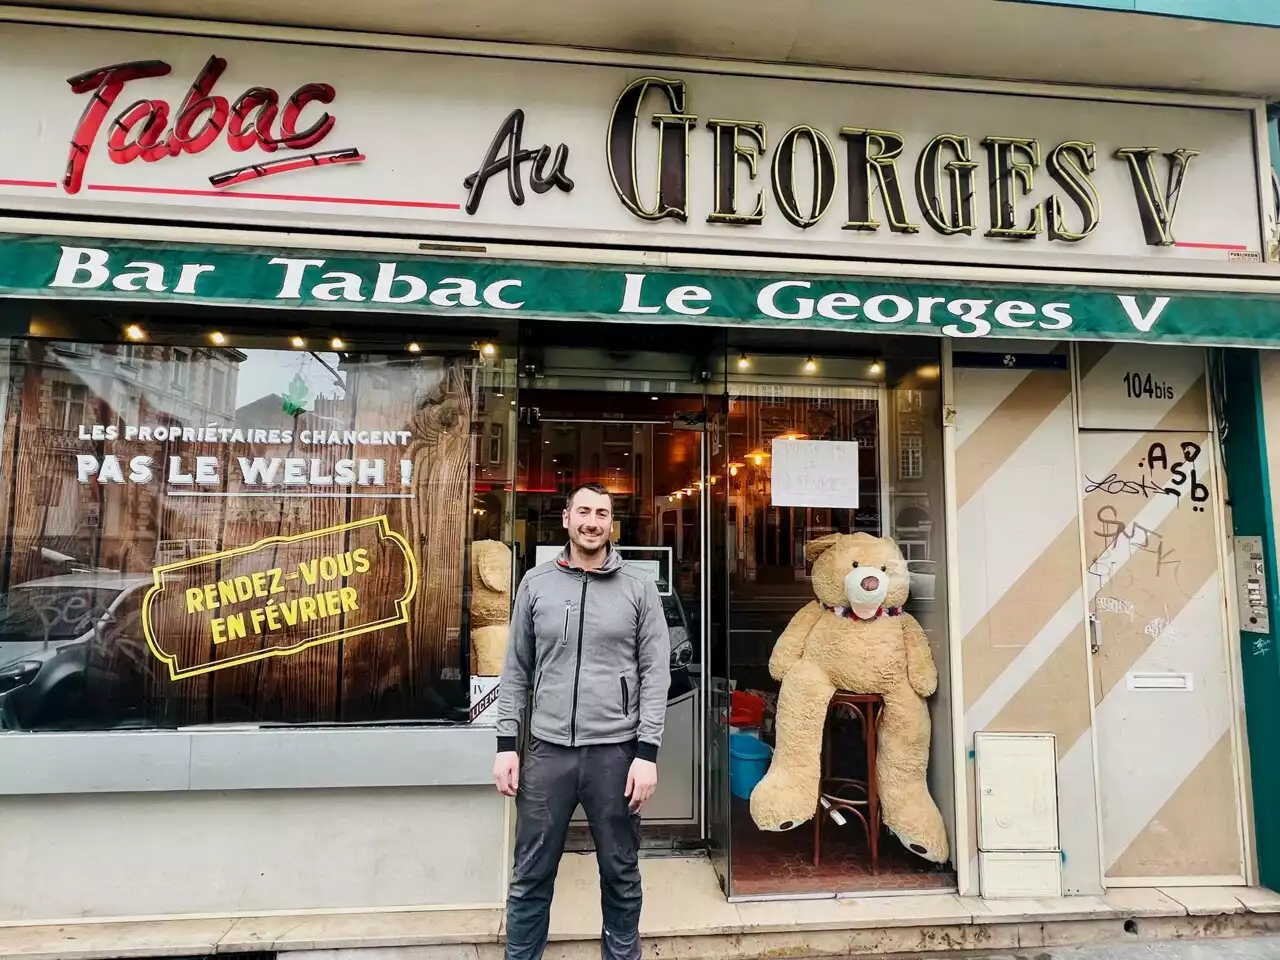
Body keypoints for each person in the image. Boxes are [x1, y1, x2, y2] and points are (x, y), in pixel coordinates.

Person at [493, 481, 670, 960]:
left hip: (616, 753)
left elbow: (657, 673)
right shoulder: (536, 583)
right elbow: (516, 670)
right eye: (584, 512)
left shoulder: (637, 587)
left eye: (603, 514)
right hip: (547, 752)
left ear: (612, 524)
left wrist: (647, 753)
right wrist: (506, 744)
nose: (593, 522)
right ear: (567, 518)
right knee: (530, 873)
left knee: (620, 871)